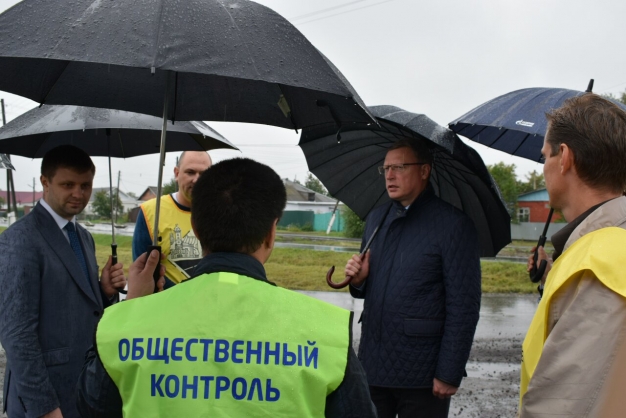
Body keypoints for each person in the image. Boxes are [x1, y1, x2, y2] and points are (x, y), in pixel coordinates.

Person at [76, 158, 377, 418]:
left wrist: (131, 310)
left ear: (195, 228)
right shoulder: (327, 333)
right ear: (272, 233)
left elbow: (92, 406)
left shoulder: (123, 326)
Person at [344, 138, 481, 418]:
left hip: (422, 374)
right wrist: (359, 280)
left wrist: (449, 372)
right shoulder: (376, 219)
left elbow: (464, 306)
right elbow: (365, 291)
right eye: (385, 169)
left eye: (400, 167)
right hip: (373, 364)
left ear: (424, 171)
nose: (390, 176)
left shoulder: (453, 225)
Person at [519, 94, 626, 417]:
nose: (544, 168)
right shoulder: (602, 247)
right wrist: (550, 272)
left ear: (564, 157)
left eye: (544, 157)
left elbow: (568, 402)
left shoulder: (600, 264)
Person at [0, 145, 126, 418]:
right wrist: (45, 408)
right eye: (68, 184)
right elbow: (17, 334)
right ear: (45, 182)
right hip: (47, 399)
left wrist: (104, 291)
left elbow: (79, 303)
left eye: (86, 185)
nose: (78, 194)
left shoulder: (83, 236)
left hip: (81, 390)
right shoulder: (20, 240)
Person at [132, 151, 212, 288]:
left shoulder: (221, 211)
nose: (197, 180)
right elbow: (141, 270)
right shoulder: (151, 211)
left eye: (204, 174)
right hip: (163, 303)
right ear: (176, 173)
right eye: (190, 172)